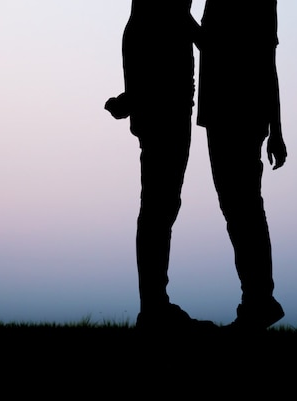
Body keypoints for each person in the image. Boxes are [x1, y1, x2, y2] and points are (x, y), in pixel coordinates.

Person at [105, 1, 215, 332]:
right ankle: (153, 308)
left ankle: (155, 305)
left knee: (160, 206)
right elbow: (151, 36)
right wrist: (135, 97)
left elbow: (140, 37)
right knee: (159, 207)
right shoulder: (163, 11)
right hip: (165, 109)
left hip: (164, 106)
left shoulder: (159, 14)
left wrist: (133, 98)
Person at [197, 0, 287, 331]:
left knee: (244, 208)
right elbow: (214, 44)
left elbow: (266, 61)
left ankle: (259, 300)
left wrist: (277, 130)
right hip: (224, 113)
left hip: (238, 113)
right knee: (239, 209)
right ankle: (256, 300)